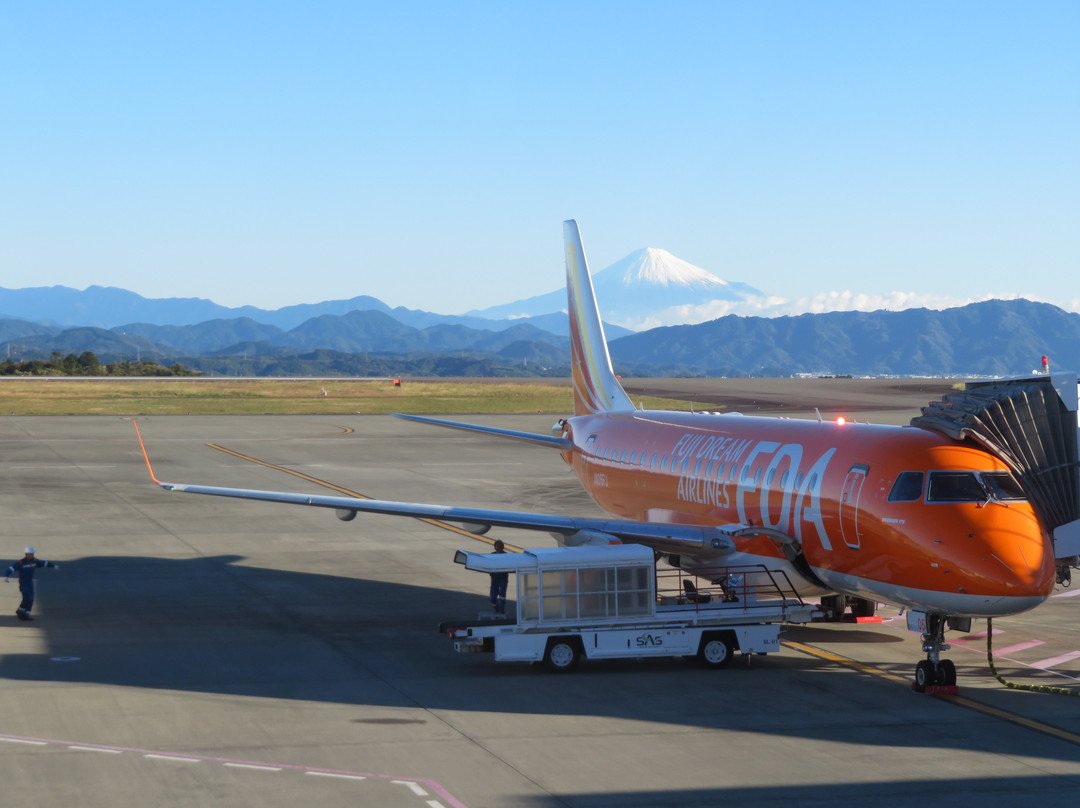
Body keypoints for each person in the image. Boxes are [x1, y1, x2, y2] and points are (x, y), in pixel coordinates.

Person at [5, 546, 59, 621]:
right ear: (27, 554)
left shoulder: (34, 561)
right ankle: (21, 612)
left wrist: (53, 565)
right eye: (31, 553)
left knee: (30, 599)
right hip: (24, 584)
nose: (33, 555)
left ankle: (24, 614)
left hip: (30, 583)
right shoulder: (21, 563)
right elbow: (11, 569)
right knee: (28, 598)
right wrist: (7, 576)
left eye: (33, 553)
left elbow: (43, 563)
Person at [489, 539, 509, 615]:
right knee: (493, 597)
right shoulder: (492, 556)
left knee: (502, 594)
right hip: (495, 578)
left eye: (500, 546)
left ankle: (501, 609)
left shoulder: (506, 556)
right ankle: (497, 609)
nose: (498, 548)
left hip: (503, 578)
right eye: (497, 546)